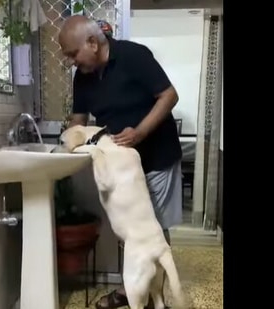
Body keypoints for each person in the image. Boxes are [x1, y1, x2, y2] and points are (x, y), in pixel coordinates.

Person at [58, 15, 183, 309]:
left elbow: (169, 95)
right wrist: (70, 142)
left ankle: (154, 296)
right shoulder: (83, 77)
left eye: (73, 54)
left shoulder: (133, 56)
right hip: (124, 164)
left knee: (154, 230)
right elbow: (79, 121)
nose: (72, 62)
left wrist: (140, 132)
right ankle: (132, 289)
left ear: (92, 42)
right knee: (128, 230)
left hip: (157, 157)